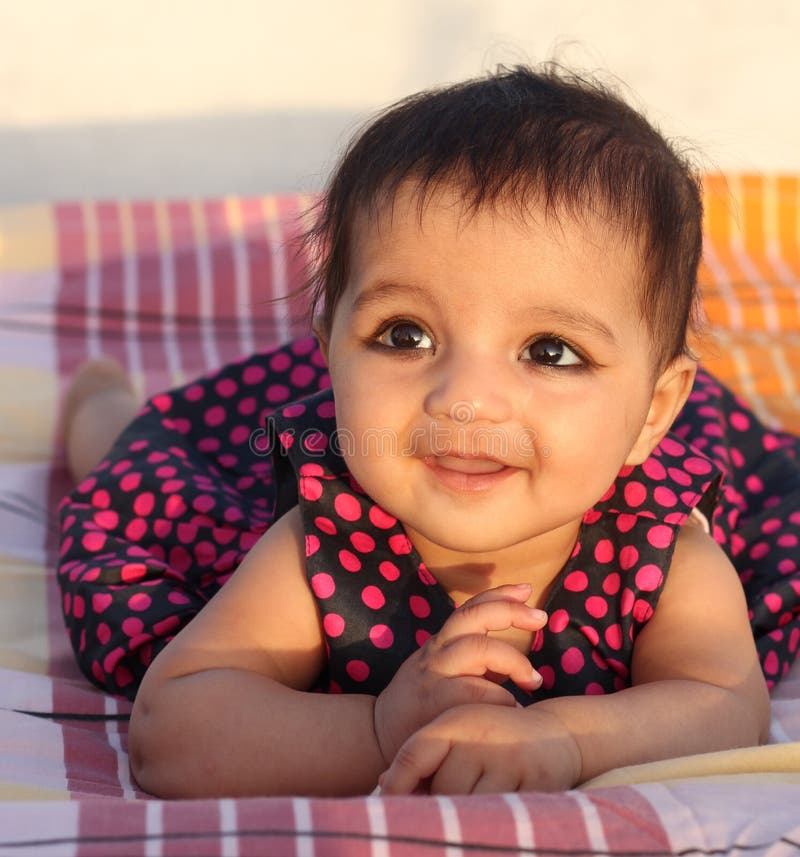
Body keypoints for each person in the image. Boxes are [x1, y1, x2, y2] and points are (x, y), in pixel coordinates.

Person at [57, 65, 800, 799]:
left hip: (642, 440)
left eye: (551, 351)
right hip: (343, 445)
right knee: (154, 479)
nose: (465, 398)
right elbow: (170, 731)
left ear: (651, 415)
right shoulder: (323, 539)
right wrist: (380, 730)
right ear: (333, 349)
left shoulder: (665, 547)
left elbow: (723, 700)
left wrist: (567, 739)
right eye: (403, 333)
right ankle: (104, 401)